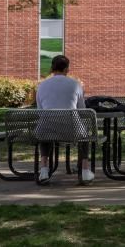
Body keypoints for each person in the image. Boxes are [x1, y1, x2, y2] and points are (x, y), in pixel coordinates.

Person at [35, 54, 94, 184]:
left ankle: (44, 169)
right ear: (67, 69)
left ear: (52, 68)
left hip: (47, 130)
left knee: (45, 129)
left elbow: (40, 111)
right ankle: (84, 171)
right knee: (85, 133)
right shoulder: (75, 84)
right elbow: (82, 111)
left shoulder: (42, 86)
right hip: (71, 131)